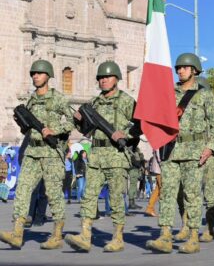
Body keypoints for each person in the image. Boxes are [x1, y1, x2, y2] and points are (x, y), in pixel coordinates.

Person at [146, 53, 214, 254]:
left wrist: (210, 147)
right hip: (170, 150)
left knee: (191, 195)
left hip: (194, 153)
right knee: (167, 194)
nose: (180, 71)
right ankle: (165, 235)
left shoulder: (204, 95)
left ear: (194, 70)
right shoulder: (168, 94)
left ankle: (193, 237)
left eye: (184, 67)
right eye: (178, 68)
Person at [65, 61, 141, 252]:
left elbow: (141, 125)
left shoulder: (126, 101)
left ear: (116, 79)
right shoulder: (94, 103)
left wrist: (126, 135)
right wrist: (79, 122)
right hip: (96, 155)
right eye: (101, 78)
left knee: (116, 198)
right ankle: (85, 235)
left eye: (107, 77)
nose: (104, 80)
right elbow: (86, 130)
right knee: (89, 196)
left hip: (116, 157)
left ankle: (118, 238)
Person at [0, 60, 74, 250]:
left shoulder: (58, 98)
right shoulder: (32, 99)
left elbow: (73, 121)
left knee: (53, 193)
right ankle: (17, 233)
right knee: (23, 190)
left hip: (51, 152)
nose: (35, 76)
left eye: (39, 73)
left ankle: (57, 234)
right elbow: (29, 128)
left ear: (48, 76)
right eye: (33, 73)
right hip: (32, 151)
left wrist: (54, 129)